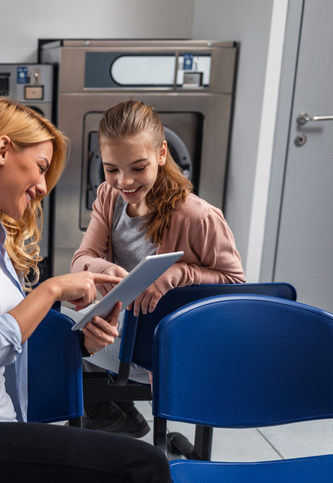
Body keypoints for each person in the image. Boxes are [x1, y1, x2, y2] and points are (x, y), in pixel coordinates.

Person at [0, 98, 171, 483]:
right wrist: (50, 290)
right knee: (144, 466)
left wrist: (84, 341)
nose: (42, 187)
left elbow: (10, 341)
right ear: (2, 150)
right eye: (40, 168)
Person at [71, 99, 245, 438]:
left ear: (162, 153)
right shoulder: (109, 197)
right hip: (127, 338)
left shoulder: (199, 217)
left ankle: (109, 418)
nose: (124, 182)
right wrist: (107, 269)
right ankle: (115, 415)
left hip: (167, 351)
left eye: (138, 167)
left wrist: (176, 274)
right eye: (112, 169)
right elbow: (81, 259)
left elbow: (235, 285)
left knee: (60, 335)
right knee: (65, 315)